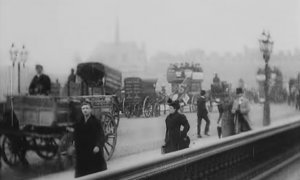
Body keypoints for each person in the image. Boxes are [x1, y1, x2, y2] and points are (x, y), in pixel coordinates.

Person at [74, 100, 107, 178]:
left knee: (95, 174)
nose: (85, 110)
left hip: (93, 151)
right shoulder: (79, 122)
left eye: (87, 108)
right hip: (82, 153)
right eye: (83, 108)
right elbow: (76, 135)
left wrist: (98, 146)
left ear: (90, 110)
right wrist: (74, 141)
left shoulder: (96, 122)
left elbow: (101, 136)